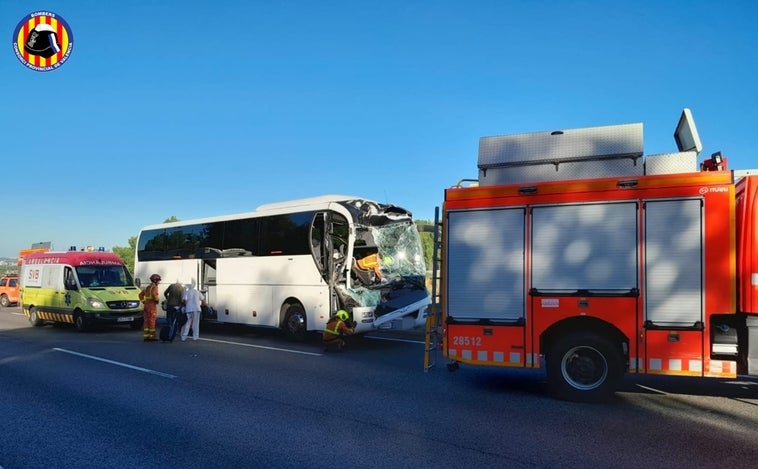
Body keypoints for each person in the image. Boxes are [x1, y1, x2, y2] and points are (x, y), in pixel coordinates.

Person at [138, 273, 161, 341]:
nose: (159, 282)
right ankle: (152, 337)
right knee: (152, 321)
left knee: (146, 321)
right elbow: (154, 295)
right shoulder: (154, 287)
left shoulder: (147, 287)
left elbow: (140, 295)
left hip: (146, 305)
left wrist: (144, 301)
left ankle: (146, 336)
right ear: (155, 281)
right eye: (158, 281)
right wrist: (157, 300)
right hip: (151, 306)